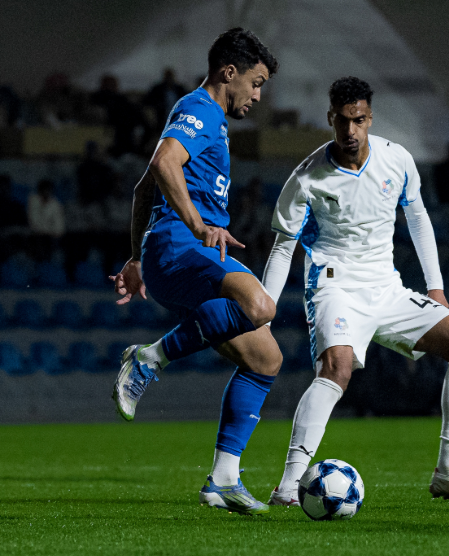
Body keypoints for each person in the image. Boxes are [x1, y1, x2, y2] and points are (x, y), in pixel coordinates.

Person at [262, 77, 449, 506]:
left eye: (358, 120)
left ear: (370, 118)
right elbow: (283, 248)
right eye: (342, 121)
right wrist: (266, 307)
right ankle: (289, 485)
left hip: (387, 287)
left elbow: (418, 218)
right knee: (337, 368)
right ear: (330, 118)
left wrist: (436, 287)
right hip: (334, 285)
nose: (350, 131)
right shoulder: (306, 177)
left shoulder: (398, 160)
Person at [110, 28, 281, 515]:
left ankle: (223, 479)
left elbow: (144, 189)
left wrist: (138, 259)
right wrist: (196, 224)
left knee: (265, 359)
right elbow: (164, 163)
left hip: (170, 252)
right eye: (256, 82)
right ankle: (150, 358)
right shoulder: (199, 109)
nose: (258, 95)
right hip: (184, 245)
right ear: (229, 73)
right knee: (260, 305)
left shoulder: (209, 121)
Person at [27, 178, 65, 261]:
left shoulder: (55, 204)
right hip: (37, 235)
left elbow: (59, 226)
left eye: (49, 190)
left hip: (51, 236)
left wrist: (51, 232)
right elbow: (34, 223)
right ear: (39, 191)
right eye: (44, 190)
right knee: (38, 240)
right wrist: (46, 230)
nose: (46, 192)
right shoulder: (33, 201)